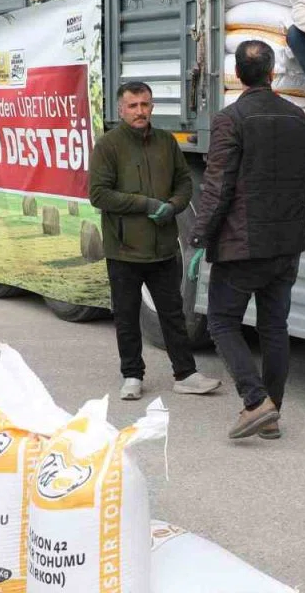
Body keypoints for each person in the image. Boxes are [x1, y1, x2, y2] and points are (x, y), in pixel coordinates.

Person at [188, 41, 305, 440]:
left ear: (238, 75)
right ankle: (271, 414)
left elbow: (218, 186)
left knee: (221, 321)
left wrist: (199, 234)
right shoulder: (298, 117)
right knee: (274, 327)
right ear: (272, 73)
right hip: (287, 243)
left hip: (243, 245)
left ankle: (255, 401)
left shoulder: (231, 119)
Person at [89, 81, 222, 401]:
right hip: (124, 249)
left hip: (163, 248)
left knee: (173, 314)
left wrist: (173, 206)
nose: (140, 111)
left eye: (145, 105)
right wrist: (146, 205)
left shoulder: (166, 142)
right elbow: (99, 194)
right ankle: (132, 375)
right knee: (126, 315)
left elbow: (184, 183)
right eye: (133, 106)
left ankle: (185, 374)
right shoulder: (108, 146)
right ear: (121, 109)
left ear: (152, 107)